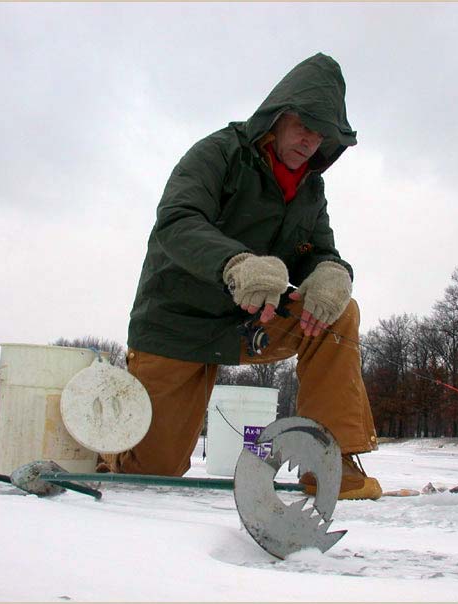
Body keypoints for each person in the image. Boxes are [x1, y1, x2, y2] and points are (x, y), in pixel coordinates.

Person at [101, 53, 382, 500]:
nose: (311, 141)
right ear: (277, 117)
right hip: (176, 324)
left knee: (338, 313)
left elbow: (319, 251)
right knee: (151, 474)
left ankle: (329, 462)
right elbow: (177, 220)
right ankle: (97, 444)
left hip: (251, 321)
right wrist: (236, 263)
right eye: (303, 125)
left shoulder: (310, 188)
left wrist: (331, 272)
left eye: (321, 133)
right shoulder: (219, 153)